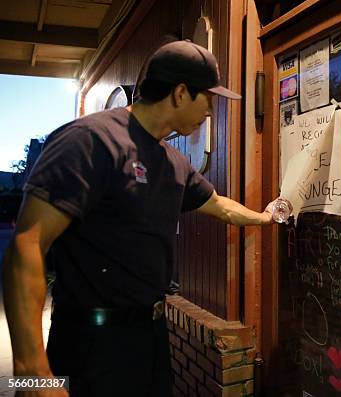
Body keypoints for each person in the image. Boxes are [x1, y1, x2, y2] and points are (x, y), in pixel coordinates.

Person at [2, 40, 275, 397]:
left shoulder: (173, 162)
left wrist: (265, 218)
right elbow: (27, 246)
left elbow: (219, 204)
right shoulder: (90, 140)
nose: (211, 110)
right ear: (180, 93)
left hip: (150, 338)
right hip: (90, 342)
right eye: (207, 97)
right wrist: (32, 373)